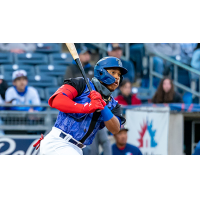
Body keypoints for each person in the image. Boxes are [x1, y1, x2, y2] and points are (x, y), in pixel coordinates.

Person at [36, 56, 127, 155]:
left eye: (119, 74)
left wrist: (102, 106)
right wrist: (86, 108)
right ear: (101, 72)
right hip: (59, 142)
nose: (117, 77)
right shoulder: (81, 84)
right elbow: (56, 100)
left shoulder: (113, 104)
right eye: (113, 72)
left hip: (77, 148)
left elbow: (115, 129)